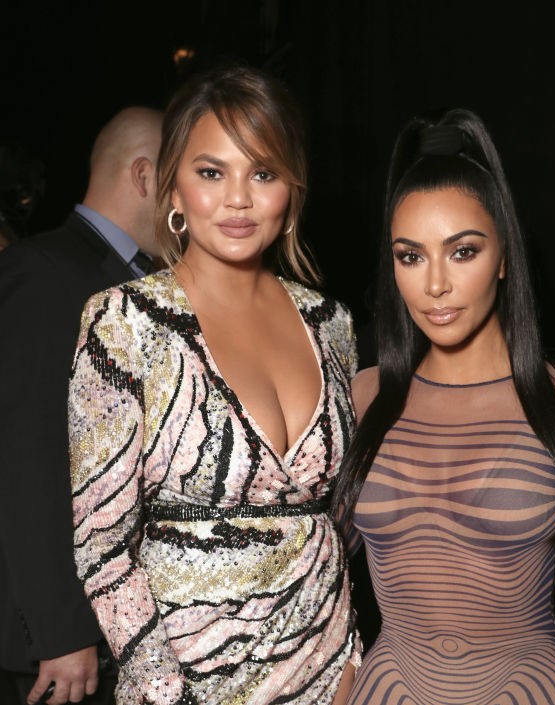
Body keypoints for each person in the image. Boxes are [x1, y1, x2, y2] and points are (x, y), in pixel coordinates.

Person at [68, 63, 361, 705]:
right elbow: (101, 546)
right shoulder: (126, 322)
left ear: (292, 189)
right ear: (172, 186)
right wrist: (164, 689)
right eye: (211, 172)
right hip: (188, 678)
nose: (238, 199)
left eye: (263, 173)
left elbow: (341, 517)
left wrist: (349, 666)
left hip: (329, 662)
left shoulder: (331, 323)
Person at [333, 108, 555, 705]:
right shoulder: (363, 395)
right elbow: (319, 571)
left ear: (505, 257)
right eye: (410, 256)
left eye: (462, 251)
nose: (434, 285)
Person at [0, 105, 163, 705]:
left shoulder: (142, 278)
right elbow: (27, 457)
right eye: (189, 177)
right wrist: (61, 629)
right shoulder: (43, 271)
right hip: (69, 645)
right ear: (144, 176)